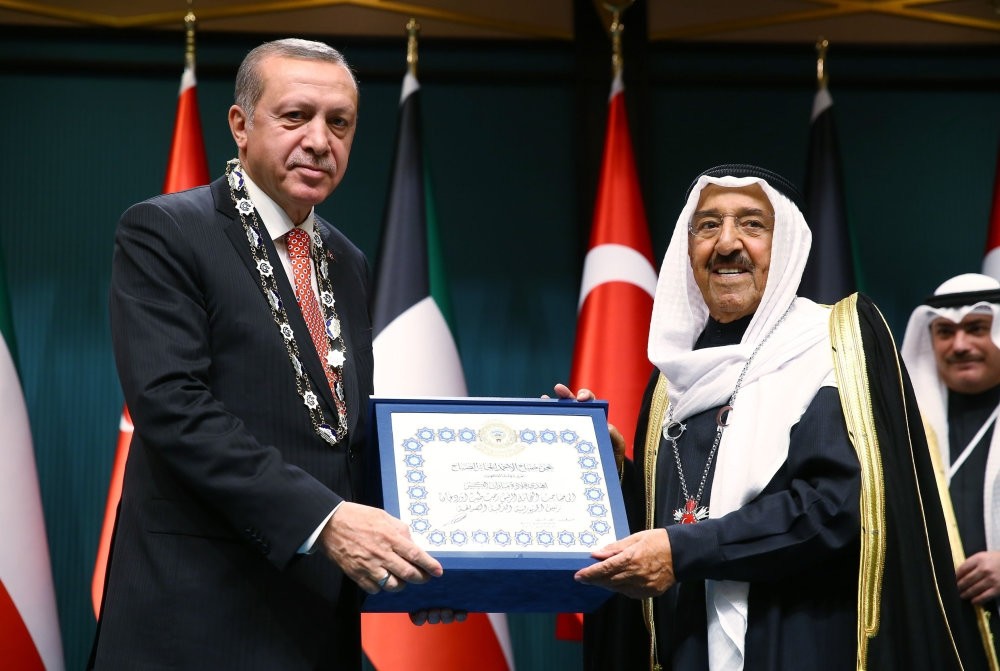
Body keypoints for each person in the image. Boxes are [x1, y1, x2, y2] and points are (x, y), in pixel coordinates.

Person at [90, 38, 449, 670]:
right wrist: (328, 522)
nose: (319, 140)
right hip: (197, 619)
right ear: (240, 125)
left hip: (314, 623)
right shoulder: (166, 231)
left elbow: (342, 437)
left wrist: (420, 555)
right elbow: (173, 409)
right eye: (295, 116)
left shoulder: (347, 260)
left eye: (339, 123)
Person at [559, 164, 993, 670]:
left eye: (751, 224)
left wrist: (685, 551)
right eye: (707, 225)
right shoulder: (673, 377)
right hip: (687, 643)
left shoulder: (835, 341)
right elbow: (680, 511)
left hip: (800, 636)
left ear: (784, 244)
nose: (726, 244)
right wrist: (617, 474)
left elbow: (835, 507)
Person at [901, 272, 1000, 663]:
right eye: (944, 332)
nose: (959, 345)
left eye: (976, 328)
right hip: (935, 635)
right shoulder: (908, 428)